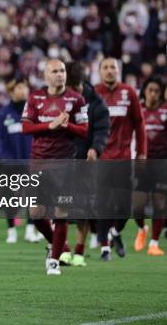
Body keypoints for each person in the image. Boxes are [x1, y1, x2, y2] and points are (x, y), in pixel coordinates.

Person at [22, 59, 88, 275]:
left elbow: (84, 131)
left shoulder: (76, 99)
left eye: (62, 71)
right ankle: (57, 244)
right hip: (39, 161)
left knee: (61, 212)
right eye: (55, 71)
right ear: (45, 76)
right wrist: (49, 125)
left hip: (65, 163)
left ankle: (54, 261)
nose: (60, 74)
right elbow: (25, 127)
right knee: (36, 212)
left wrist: (66, 125)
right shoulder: (35, 98)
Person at [95, 58, 147, 261]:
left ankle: (115, 233)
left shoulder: (129, 93)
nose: (109, 71)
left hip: (124, 159)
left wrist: (142, 152)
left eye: (113, 68)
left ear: (119, 71)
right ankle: (104, 249)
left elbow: (139, 124)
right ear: (99, 71)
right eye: (105, 67)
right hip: (101, 159)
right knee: (103, 205)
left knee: (125, 207)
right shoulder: (94, 94)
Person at [63, 62, 110, 267]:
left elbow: (102, 129)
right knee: (61, 207)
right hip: (63, 158)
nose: (73, 92)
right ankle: (62, 250)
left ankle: (79, 252)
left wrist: (95, 148)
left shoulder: (96, 102)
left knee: (82, 208)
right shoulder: (59, 99)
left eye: (76, 88)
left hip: (85, 160)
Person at [0, 76, 42, 244]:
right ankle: (11, 230)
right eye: (19, 87)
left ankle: (30, 230)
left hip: (31, 159)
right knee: (10, 196)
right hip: (10, 161)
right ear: (12, 91)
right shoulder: (3, 113)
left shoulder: (34, 112)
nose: (23, 90)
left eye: (25, 87)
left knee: (33, 196)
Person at [133, 75, 166, 256]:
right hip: (142, 163)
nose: (153, 94)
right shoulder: (138, 112)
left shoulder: (165, 110)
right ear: (144, 91)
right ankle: (142, 229)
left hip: (161, 164)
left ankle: (154, 243)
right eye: (150, 90)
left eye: (157, 91)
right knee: (137, 205)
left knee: (159, 203)